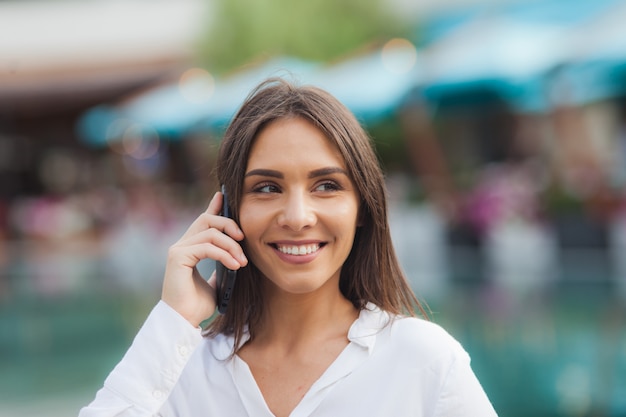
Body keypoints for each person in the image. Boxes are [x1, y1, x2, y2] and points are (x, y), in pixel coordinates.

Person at [79, 77, 498, 417]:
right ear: (228, 208)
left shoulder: (423, 362)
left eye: (327, 186)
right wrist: (174, 320)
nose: (297, 217)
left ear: (363, 208)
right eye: (266, 187)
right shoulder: (179, 370)